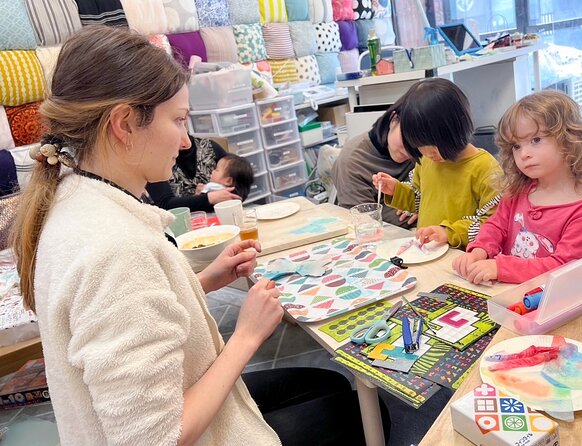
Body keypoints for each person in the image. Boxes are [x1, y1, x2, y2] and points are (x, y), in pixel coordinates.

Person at [11, 26, 386, 445]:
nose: (186, 139)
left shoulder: (73, 198)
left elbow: (129, 310)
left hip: (173, 402)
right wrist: (247, 336)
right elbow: (155, 438)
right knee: (361, 415)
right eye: (178, 120)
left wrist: (203, 282)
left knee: (327, 386)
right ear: (124, 123)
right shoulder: (114, 248)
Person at [452, 90, 582, 285]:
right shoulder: (518, 191)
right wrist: (479, 250)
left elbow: (562, 267)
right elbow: (496, 226)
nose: (524, 154)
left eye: (535, 140)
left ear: (569, 139)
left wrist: (500, 268)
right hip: (511, 293)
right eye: (516, 146)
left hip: (551, 301)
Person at [372, 78, 502, 249]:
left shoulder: (486, 169)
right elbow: (421, 200)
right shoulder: (426, 160)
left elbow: (492, 225)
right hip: (426, 251)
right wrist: (396, 190)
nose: (427, 153)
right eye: (419, 146)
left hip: (461, 260)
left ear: (456, 130)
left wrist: (449, 232)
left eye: (432, 145)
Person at [331, 103, 419, 228]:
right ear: (393, 119)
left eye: (418, 141)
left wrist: (427, 210)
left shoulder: (424, 149)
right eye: (406, 138)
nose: (410, 152)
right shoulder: (352, 163)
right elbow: (363, 225)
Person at [145, 134, 242, 212]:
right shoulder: (154, 160)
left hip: (221, 215)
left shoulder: (209, 147)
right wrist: (208, 198)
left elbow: (239, 181)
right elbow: (165, 204)